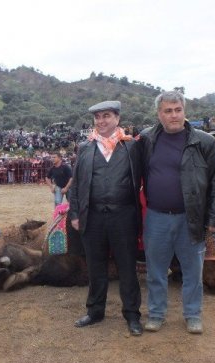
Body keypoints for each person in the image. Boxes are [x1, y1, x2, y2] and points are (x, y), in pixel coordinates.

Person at [139, 91, 215, 334]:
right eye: (168, 111)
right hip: (156, 218)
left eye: (178, 110)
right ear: (159, 114)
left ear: (184, 111)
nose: (174, 115)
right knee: (155, 271)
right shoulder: (146, 140)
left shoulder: (204, 142)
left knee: (192, 272)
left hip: (192, 219)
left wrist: (214, 218)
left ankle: (193, 315)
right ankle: (156, 314)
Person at [69, 100, 143, 336]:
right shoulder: (85, 148)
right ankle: (95, 311)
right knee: (95, 266)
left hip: (124, 216)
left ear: (117, 119)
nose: (101, 121)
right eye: (98, 117)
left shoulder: (132, 147)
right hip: (93, 216)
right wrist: (74, 214)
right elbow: (77, 184)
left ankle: (132, 315)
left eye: (107, 116)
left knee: (127, 268)